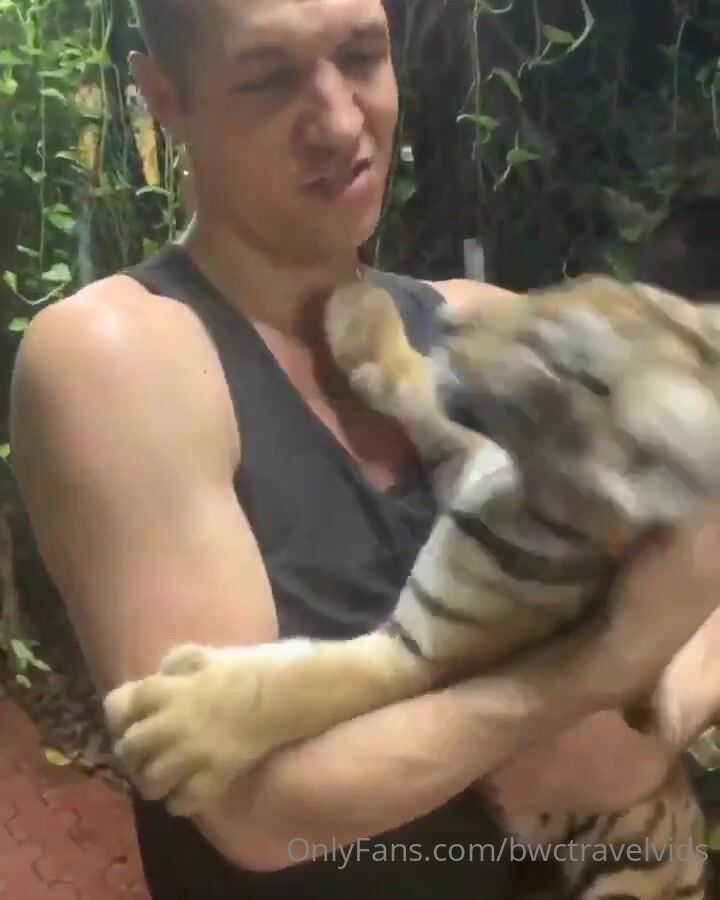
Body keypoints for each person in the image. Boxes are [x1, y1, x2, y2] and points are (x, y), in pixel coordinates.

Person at [8, 0, 720, 897]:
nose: (341, 122)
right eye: (270, 78)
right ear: (164, 97)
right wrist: (592, 677)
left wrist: (665, 710)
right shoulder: (120, 356)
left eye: (360, 54)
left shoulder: (484, 322)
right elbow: (262, 812)